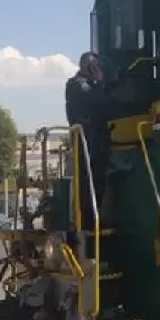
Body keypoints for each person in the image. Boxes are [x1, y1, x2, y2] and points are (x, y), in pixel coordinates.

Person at [65, 51, 111, 228]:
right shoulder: (77, 85)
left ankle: (96, 215)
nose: (99, 69)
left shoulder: (91, 85)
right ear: (87, 67)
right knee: (89, 179)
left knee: (99, 178)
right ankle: (89, 220)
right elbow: (98, 102)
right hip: (87, 140)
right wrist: (100, 81)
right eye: (95, 66)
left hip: (97, 139)